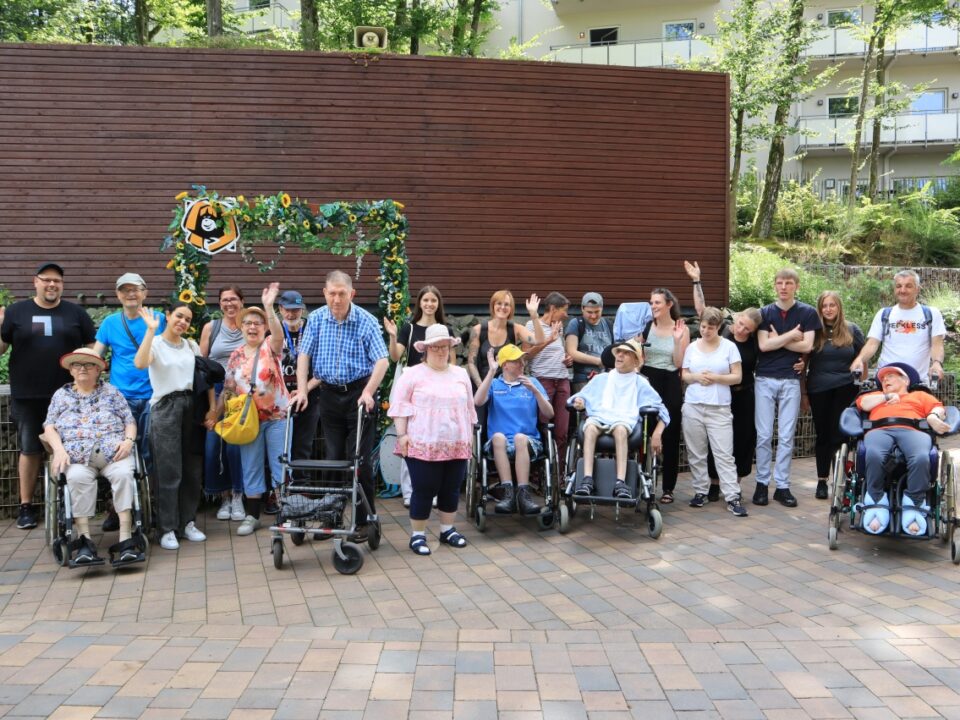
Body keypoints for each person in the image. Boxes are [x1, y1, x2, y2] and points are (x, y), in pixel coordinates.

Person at [291, 270, 389, 541]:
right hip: (330, 396)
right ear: (325, 293)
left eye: (341, 293)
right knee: (334, 458)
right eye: (332, 293)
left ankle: (363, 521)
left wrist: (369, 391)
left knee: (360, 462)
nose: (336, 299)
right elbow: (304, 355)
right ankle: (331, 517)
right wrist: (302, 391)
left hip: (360, 395)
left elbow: (382, 360)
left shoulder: (366, 321)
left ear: (351, 294)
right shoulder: (317, 320)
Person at [0, 262, 96, 530]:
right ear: (35, 282)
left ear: (62, 285)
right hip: (28, 395)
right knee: (29, 449)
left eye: (57, 281)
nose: (52, 284)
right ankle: (26, 506)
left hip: (69, 397)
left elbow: (91, 348)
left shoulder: (76, 313)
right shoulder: (17, 312)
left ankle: (65, 503)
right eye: (46, 280)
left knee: (66, 450)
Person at [42, 348, 139, 564]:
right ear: (71, 371)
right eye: (77, 365)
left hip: (114, 453)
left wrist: (128, 441)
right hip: (76, 456)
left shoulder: (112, 392)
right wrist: (58, 449)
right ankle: (85, 541)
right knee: (76, 478)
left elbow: (129, 421)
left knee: (124, 475)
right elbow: (49, 426)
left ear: (99, 370)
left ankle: (126, 538)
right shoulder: (61, 395)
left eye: (89, 365)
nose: (83, 368)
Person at [389, 325, 476, 555]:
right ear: (426, 349)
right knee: (424, 489)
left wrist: (469, 437)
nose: (440, 351)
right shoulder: (412, 374)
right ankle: (418, 536)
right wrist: (402, 435)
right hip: (421, 443)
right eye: (435, 347)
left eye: (444, 346)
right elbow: (400, 406)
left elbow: (468, 408)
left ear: (450, 348)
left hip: (457, 442)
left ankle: (447, 530)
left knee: (451, 488)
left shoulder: (461, 374)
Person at [134, 302, 215, 551]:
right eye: (179, 316)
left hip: (191, 406)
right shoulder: (156, 343)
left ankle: (187, 522)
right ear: (168, 316)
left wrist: (212, 408)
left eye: (188, 319)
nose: (183, 321)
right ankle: (167, 527)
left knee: (192, 467)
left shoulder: (190, 345)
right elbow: (140, 363)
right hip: (165, 407)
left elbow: (206, 379)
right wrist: (150, 330)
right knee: (168, 469)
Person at [93, 272, 165, 532]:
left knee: (150, 455)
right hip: (119, 399)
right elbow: (96, 357)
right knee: (118, 454)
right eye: (125, 290)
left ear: (145, 292)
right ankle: (116, 508)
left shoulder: (158, 319)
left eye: (135, 289)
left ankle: (150, 506)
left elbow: (170, 348)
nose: (131, 294)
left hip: (152, 396)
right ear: (118, 295)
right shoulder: (110, 323)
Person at [685, 260, 762, 500]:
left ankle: (734, 487)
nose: (741, 330)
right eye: (740, 324)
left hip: (742, 392)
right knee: (705, 444)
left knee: (738, 441)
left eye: (747, 329)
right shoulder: (722, 330)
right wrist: (697, 280)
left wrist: (801, 362)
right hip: (716, 394)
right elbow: (703, 311)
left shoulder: (753, 341)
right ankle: (713, 485)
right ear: (734, 319)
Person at [220, 284, 289, 537]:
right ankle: (252, 516)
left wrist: (269, 307)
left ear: (264, 327)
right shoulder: (236, 355)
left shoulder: (271, 346)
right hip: (248, 420)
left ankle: (285, 512)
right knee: (250, 467)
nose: (252, 327)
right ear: (241, 326)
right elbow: (228, 389)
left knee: (280, 464)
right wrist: (220, 415)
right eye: (248, 323)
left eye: (257, 323)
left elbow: (280, 337)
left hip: (277, 417)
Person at [855, 362, 951, 536]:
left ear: (905, 381)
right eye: (883, 378)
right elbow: (864, 405)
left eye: (891, 376)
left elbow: (938, 407)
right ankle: (876, 499)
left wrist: (933, 416)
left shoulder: (920, 395)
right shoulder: (876, 395)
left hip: (913, 429)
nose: (885, 380)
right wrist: (886, 397)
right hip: (880, 429)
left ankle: (913, 503)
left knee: (922, 457)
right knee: (874, 454)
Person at [753, 269, 821, 508]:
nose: (784, 287)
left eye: (788, 283)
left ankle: (782, 486)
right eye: (780, 282)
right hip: (764, 378)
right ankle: (762, 483)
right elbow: (763, 346)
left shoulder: (808, 313)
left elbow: (809, 345)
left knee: (786, 435)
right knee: (763, 435)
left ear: (796, 286)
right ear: (775, 285)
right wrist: (793, 336)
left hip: (791, 380)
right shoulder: (764, 313)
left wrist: (778, 339)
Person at [570, 339, 669, 499]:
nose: (620, 355)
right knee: (589, 427)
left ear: (636, 360)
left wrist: (657, 433)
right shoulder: (601, 378)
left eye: (626, 353)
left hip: (624, 420)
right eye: (618, 352)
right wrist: (580, 401)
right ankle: (587, 480)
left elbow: (662, 409)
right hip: (600, 416)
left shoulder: (640, 382)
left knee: (620, 429)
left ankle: (620, 482)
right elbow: (581, 396)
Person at [384, 285, 448, 508]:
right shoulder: (408, 329)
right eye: (425, 300)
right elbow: (395, 357)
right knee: (409, 439)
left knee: (435, 439)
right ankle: (410, 492)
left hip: (437, 390)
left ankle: (433, 491)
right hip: (413, 389)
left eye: (433, 300)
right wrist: (392, 337)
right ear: (419, 303)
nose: (429, 304)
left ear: (438, 304)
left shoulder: (444, 329)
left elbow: (450, 362)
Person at [680, 307, 747, 516]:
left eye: (710, 327)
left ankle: (732, 496)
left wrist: (716, 378)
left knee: (724, 454)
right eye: (703, 327)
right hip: (693, 405)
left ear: (719, 327)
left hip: (719, 407)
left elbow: (737, 377)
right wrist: (697, 377)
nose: (706, 331)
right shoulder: (692, 347)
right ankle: (701, 491)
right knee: (696, 452)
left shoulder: (729, 347)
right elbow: (684, 374)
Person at [474, 344, 554, 514]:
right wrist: (490, 372)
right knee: (498, 437)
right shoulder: (495, 384)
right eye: (516, 361)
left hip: (529, 443)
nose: (521, 364)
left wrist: (535, 392)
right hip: (497, 445)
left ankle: (524, 495)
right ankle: (508, 494)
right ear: (505, 365)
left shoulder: (532, 382)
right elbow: (477, 401)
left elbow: (550, 413)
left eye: (522, 360)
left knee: (519, 438)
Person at [801, 291, 865, 500]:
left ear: (839, 307)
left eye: (832, 305)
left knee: (841, 436)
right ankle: (822, 480)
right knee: (823, 436)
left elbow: (863, 362)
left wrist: (861, 382)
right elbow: (803, 365)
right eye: (824, 306)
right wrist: (803, 393)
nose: (828, 309)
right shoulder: (814, 331)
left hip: (846, 389)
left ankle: (843, 479)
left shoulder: (852, 330)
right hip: (819, 388)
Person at [851, 269, 946, 385]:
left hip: (918, 383)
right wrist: (860, 359)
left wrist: (937, 363)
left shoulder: (931, 314)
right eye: (898, 286)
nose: (903, 290)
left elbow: (937, 344)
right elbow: (872, 344)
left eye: (908, 286)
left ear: (917, 289)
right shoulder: (884, 314)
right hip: (886, 381)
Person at [199, 286, 246, 523]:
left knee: (235, 447)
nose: (229, 304)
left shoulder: (250, 325)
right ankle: (223, 497)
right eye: (225, 300)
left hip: (242, 394)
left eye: (234, 299)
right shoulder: (211, 328)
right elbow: (201, 365)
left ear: (242, 302)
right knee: (212, 446)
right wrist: (209, 405)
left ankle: (238, 495)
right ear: (219, 304)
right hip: (215, 391)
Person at [639, 288, 689, 504]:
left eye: (658, 302)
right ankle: (642, 482)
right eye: (651, 303)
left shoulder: (681, 328)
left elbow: (679, 364)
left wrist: (677, 341)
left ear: (669, 304)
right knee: (643, 434)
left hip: (670, 381)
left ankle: (668, 487)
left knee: (669, 434)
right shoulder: (648, 326)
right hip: (648, 380)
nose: (653, 306)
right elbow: (640, 356)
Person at [524, 292, 571, 475]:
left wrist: (567, 360)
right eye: (564, 310)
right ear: (553, 309)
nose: (566, 315)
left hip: (563, 381)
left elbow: (559, 353)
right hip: (543, 381)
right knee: (542, 427)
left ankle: (558, 474)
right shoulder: (531, 325)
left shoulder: (559, 327)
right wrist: (548, 340)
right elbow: (526, 356)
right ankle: (538, 474)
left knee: (562, 431)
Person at [277, 289, 321, 482]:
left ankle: (302, 486)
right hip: (280, 397)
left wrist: (305, 389)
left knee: (303, 443)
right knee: (278, 443)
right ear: (280, 309)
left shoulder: (314, 330)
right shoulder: (275, 332)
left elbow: (322, 369)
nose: (291, 314)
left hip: (310, 395)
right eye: (287, 310)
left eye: (295, 310)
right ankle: (279, 486)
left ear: (302, 309)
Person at [465, 290, 545, 389]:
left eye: (507, 304)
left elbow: (540, 340)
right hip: (482, 384)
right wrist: (481, 387)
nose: (502, 307)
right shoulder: (478, 330)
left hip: (507, 387)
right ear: (493, 306)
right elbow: (471, 363)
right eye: (499, 303)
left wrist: (534, 316)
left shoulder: (516, 329)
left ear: (511, 309)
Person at [565, 292, 614, 394]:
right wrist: (598, 361)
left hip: (606, 378)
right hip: (584, 378)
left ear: (602, 308)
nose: (593, 316)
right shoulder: (576, 323)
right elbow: (572, 352)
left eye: (597, 311)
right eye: (589, 312)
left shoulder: (608, 324)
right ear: (582, 308)